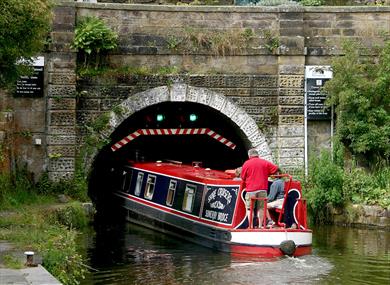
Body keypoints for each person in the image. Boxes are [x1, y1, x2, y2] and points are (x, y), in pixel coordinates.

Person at [240, 148, 279, 228]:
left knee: (249, 209)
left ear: (249, 155)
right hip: (262, 189)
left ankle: (250, 226)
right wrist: (267, 173)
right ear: (257, 155)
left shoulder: (246, 164)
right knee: (261, 208)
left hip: (251, 190)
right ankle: (260, 225)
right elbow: (275, 169)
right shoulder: (264, 162)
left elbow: (243, 177)